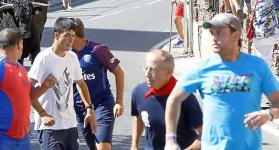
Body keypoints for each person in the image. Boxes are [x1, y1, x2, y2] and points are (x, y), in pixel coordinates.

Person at [165, 13, 279, 150]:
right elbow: (173, 100)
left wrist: (268, 114)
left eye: (219, 33)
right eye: (212, 33)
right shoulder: (202, 67)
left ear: (236, 35)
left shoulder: (258, 66)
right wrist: (170, 139)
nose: (213, 38)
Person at [0, 28, 57, 150]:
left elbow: (29, 97)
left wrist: (45, 86)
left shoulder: (20, 68)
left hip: (23, 139)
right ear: (19, 44)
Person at [28, 18, 97, 150]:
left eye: (73, 35)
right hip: (49, 126)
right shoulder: (44, 58)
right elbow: (27, 91)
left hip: (69, 124)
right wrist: (42, 113)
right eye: (67, 35)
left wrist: (89, 108)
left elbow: (81, 84)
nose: (71, 40)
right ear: (56, 35)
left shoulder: (72, 57)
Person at [131, 50, 202, 150]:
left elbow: (205, 135)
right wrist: (134, 145)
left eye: (153, 70)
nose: (147, 74)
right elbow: (137, 117)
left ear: (170, 72)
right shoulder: (138, 92)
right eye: (146, 68)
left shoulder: (185, 97)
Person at [71, 18, 125, 150]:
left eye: (65, 33)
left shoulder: (97, 49)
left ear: (73, 34)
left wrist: (119, 101)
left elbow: (119, 72)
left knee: (102, 147)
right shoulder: (66, 54)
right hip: (80, 109)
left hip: (102, 105)